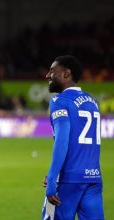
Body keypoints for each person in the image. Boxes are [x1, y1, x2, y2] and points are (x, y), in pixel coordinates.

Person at [42, 55, 104, 220]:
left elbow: (63, 140)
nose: (48, 75)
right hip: (93, 179)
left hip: (68, 180)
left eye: (52, 71)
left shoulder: (60, 101)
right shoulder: (92, 101)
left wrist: (53, 177)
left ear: (66, 74)